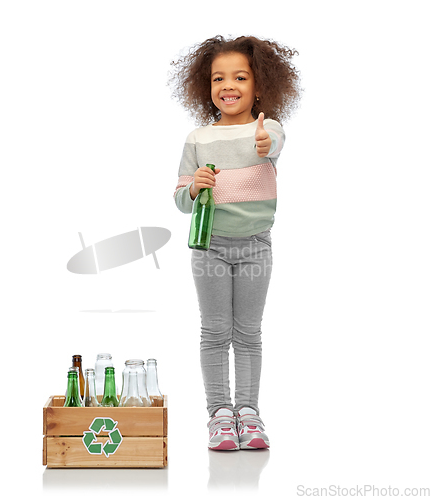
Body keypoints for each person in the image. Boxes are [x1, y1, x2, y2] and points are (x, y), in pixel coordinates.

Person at [170, 35, 301, 450]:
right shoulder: (197, 138)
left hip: (256, 246)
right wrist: (194, 189)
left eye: (240, 77)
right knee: (214, 331)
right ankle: (220, 416)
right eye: (218, 79)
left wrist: (265, 144)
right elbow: (180, 200)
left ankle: (248, 413)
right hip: (210, 246)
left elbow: (274, 144)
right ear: (205, 87)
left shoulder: (268, 129)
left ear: (258, 86)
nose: (228, 86)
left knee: (247, 333)